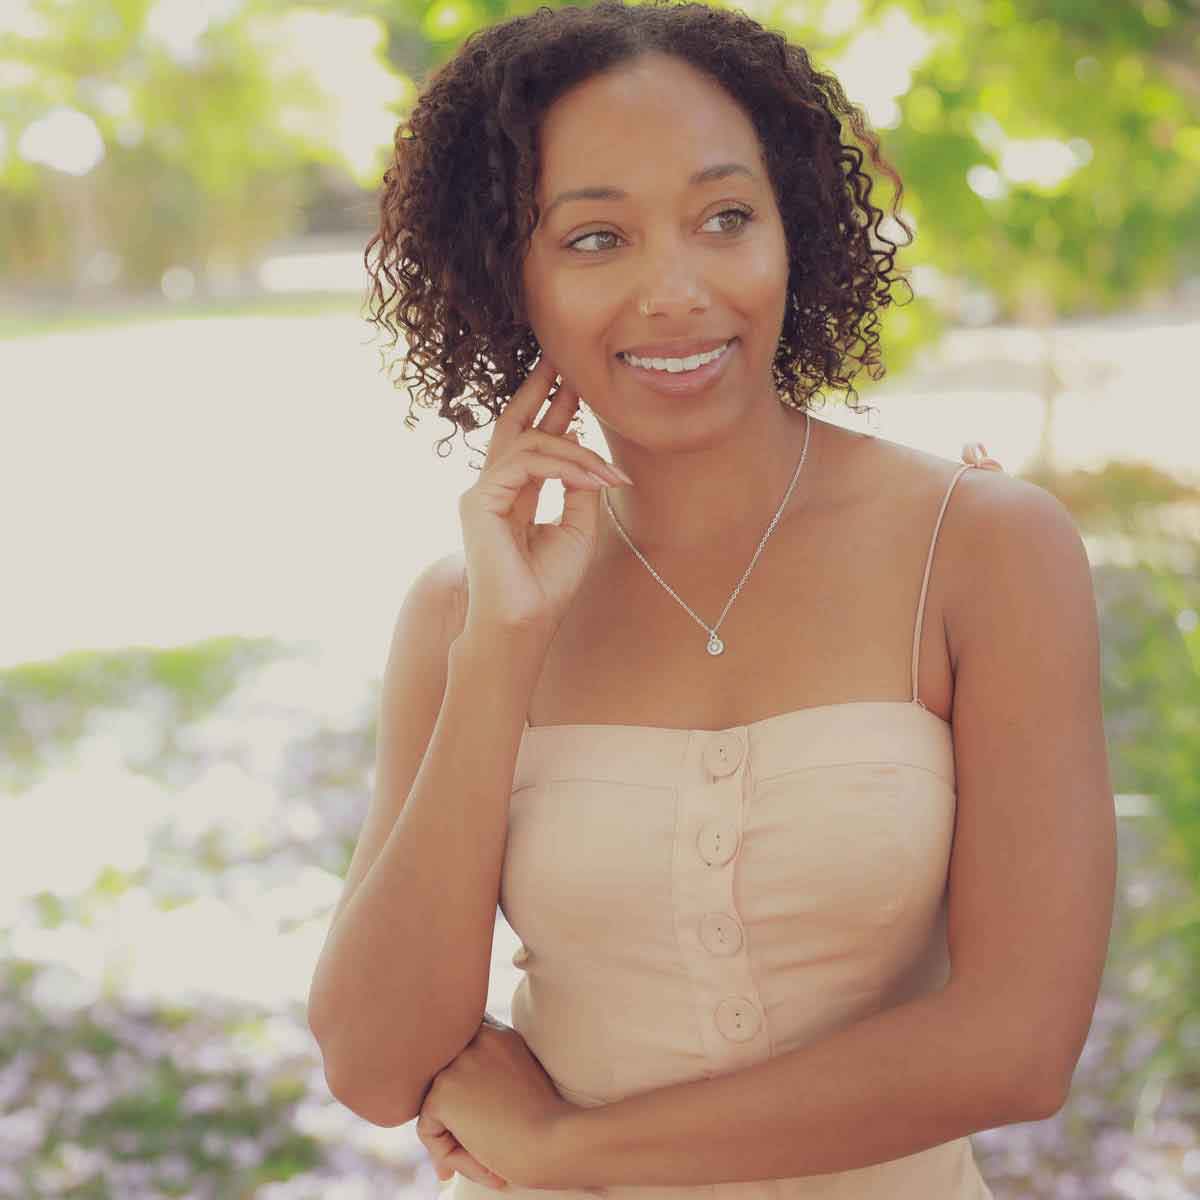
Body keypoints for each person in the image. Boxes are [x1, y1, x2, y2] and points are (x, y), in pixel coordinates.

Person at [307, 2, 1117, 1197]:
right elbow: (378, 1066)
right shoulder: (464, 613)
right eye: (595, 239)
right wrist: (501, 651)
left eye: (725, 218)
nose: (676, 291)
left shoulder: (984, 550)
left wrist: (560, 1148)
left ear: (796, 230)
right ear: (506, 274)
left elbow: (1018, 1045)